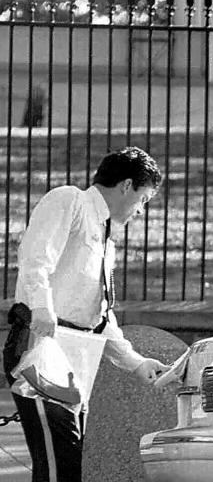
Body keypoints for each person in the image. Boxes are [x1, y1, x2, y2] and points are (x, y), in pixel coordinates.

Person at [2, 146, 170, 482]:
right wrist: (42, 309)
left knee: (68, 462)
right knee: (58, 462)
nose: (140, 211)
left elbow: (101, 319)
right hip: (41, 346)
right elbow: (36, 258)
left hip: (75, 355)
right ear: (126, 186)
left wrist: (136, 362)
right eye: (143, 199)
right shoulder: (70, 201)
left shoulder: (107, 240)